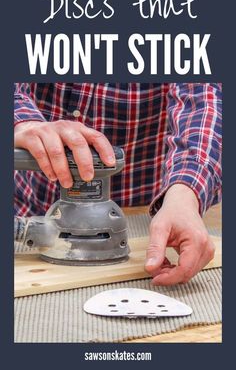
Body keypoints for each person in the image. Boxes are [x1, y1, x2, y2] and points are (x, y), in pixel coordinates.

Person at [14, 82, 222, 285]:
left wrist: (184, 195)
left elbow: (204, 98)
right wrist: (22, 121)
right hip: (25, 203)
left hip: (144, 215)